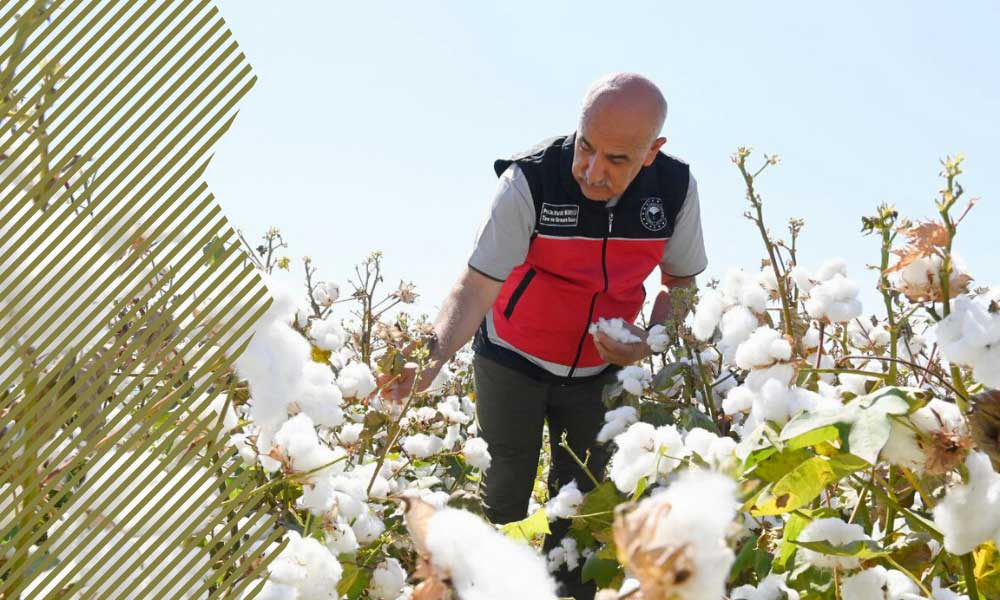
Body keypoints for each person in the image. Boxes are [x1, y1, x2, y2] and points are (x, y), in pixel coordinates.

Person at [384, 72, 707, 600]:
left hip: (600, 373)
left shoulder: (675, 190)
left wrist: (650, 341)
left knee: (580, 509)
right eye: (585, 148)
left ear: (653, 153)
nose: (592, 171)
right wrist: (432, 354)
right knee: (505, 495)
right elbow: (475, 285)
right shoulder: (528, 181)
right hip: (511, 357)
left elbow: (683, 282)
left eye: (617, 160)